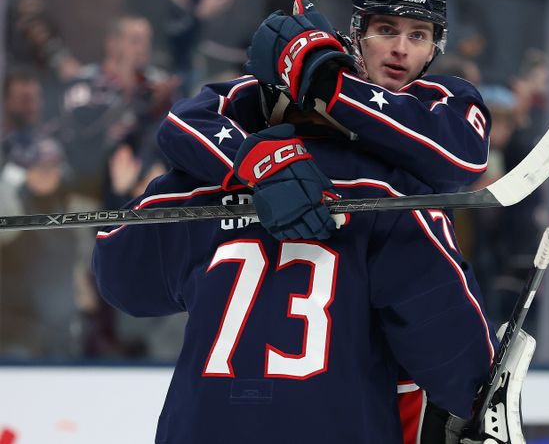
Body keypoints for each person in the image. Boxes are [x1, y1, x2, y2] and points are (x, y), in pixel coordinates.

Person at [91, 93, 498, 443]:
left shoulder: (202, 185)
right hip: (334, 428)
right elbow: (453, 353)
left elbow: (119, 274)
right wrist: (479, 394)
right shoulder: (387, 192)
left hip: (201, 427)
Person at [156, 0, 491, 241]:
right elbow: (184, 122)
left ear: (434, 47)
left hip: (399, 279)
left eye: (418, 35)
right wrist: (265, 169)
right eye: (387, 29)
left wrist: (327, 83)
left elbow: (462, 161)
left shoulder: (447, 98)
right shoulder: (301, 75)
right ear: (358, 31)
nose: (401, 49)